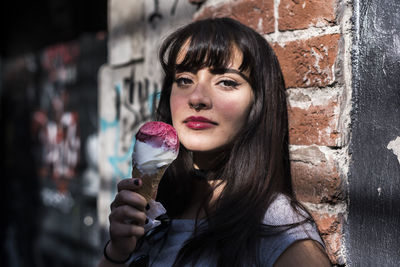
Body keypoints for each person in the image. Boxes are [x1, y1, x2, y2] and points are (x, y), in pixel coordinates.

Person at [99, 17, 332, 267]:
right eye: (184, 80)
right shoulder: (157, 211)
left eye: (226, 82)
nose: (197, 98)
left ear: (259, 104)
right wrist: (118, 253)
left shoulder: (274, 224)